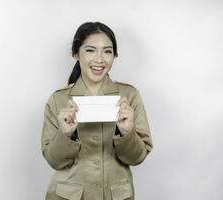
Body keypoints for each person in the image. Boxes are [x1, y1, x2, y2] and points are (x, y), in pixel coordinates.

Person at [41, 22, 153, 200]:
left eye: (107, 51)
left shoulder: (129, 96)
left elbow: (137, 158)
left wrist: (127, 133)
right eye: (90, 50)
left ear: (114, 56)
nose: (100, 59)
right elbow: (54, 161)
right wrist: (65, 135)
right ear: (76, 53)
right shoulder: (58, 100)